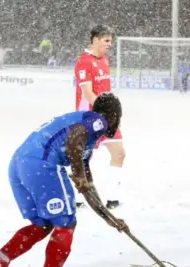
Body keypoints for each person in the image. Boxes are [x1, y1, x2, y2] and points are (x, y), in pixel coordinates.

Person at [0, 93, 128, 267]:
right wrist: (78, 174)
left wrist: (109, 218)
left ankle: (2, 258)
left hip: (19, 164)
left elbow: (87, 187)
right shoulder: (97, 120)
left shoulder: (84, 137)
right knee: (66, 223)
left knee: (44, 223)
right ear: (114, 115)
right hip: (42, 164)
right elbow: (73, 142)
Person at [73, 24, 125, 209]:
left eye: (111, 41)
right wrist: (102, 112)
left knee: (119, 154)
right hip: (89, 117)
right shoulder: (84, 62)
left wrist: (110, 113)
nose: (110, 44)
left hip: (106, 117)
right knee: (84, 159)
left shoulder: (104, 60)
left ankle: (113, 199)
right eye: (106, 40)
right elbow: (87, 93)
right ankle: (78, 199)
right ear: (95, 39)